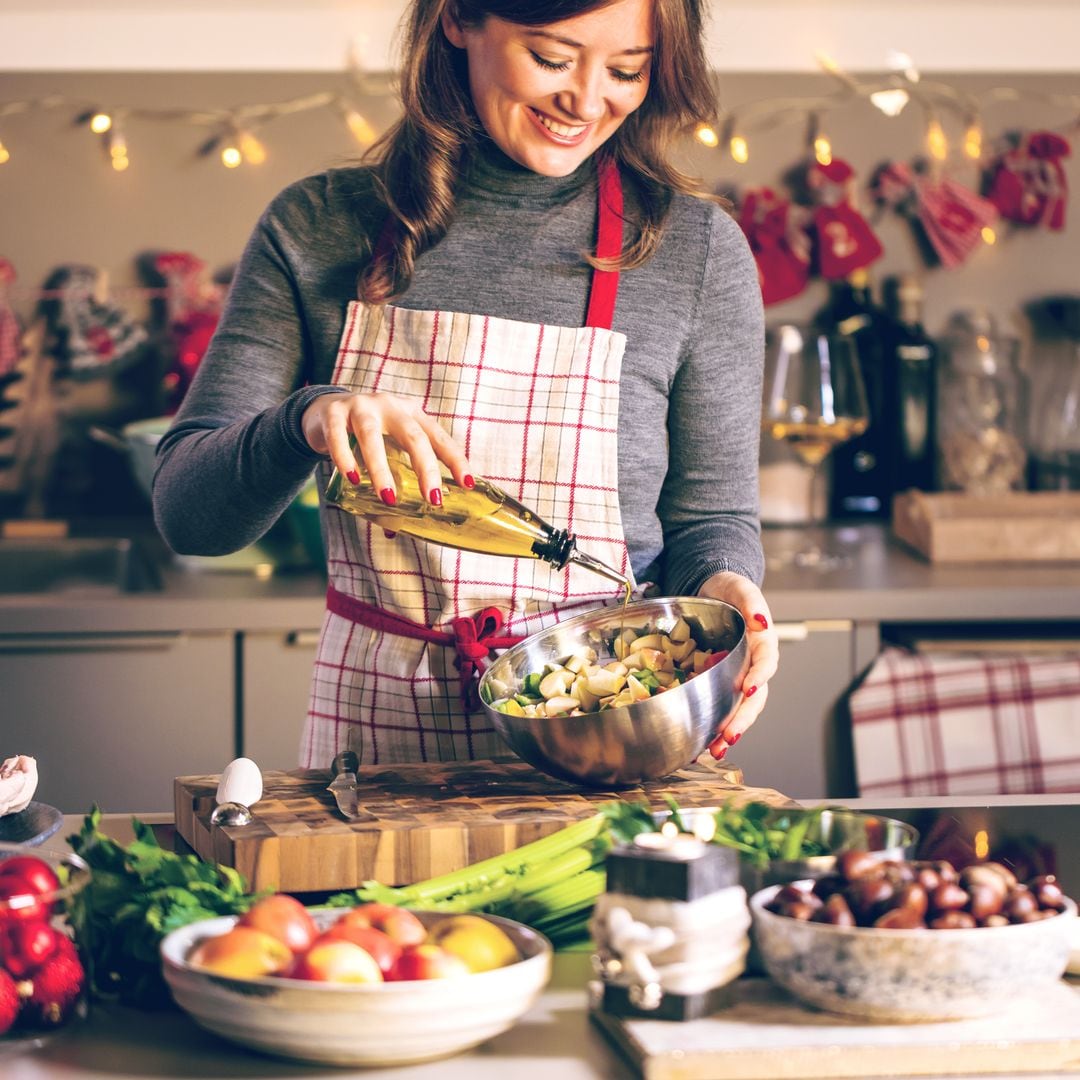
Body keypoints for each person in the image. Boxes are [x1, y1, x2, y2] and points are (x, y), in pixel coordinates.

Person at [153, 0, 780, 770]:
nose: (586, 101)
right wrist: (305, 421)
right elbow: (189, 517)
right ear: (459, 19)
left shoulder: (695, 252)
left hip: (616, 739)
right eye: (552, 57)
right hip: (377, 759)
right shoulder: (318, 227)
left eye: (627, 70)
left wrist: (729, 589)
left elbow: (711, 518)